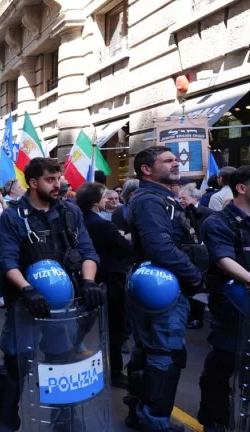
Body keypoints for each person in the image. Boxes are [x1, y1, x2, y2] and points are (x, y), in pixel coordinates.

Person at [0, 158, 101, 431]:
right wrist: (27, 289)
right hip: (27, 306)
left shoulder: (69, 212)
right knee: (15, 368)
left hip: (64, 309)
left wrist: (88, 282)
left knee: (62, 365)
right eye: (51, 179)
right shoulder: (13, 216)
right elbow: (7, 261)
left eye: (59, 178)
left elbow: (88, 251)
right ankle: (3, 423)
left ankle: (63, 423)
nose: (58, 184)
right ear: (33, 182)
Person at [124, 146, 208, 431]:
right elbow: (159, 246)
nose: (176, 163)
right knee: (165, 355)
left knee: (151, 352)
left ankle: (141, 413)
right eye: (168, 160)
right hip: (161, 287)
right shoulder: (150, 200)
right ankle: (155, 420)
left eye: (175, 159)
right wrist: (195, 277)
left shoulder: (162, 198)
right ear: (147, 169)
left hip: (163, 286)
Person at [196, 165, 250, 432]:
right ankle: (215, 421)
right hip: (231, 311)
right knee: (222, 366)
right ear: (241, 188)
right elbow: (223, 259)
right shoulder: (218, 222)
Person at [77, 182, 133, 387]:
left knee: (83, 322)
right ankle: (115, 372)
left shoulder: (79, 220)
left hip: (86, 279)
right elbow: (125, 248)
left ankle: (70, 351)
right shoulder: (102, 224)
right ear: (94, 202)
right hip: (110, 279)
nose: (106, 200)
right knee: (115, 328)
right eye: (102, 197)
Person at [178, 182, 215, 330]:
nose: (181, 201)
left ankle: (197, 318)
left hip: (202, 255)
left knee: (200, 288)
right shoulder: (180, 213)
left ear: (194, 198)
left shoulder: (208, 213)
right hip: (185, 253)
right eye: (179, 198)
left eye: (184, 198)